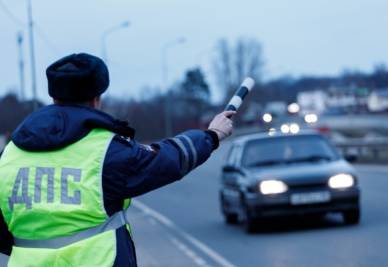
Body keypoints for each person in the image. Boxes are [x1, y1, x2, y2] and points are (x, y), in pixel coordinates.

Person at [0, 53, 235, 267]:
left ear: (53, 97)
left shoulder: (10, 155)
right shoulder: (104, 151)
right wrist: (211, 135)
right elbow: (166, 160)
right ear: (96, 99)